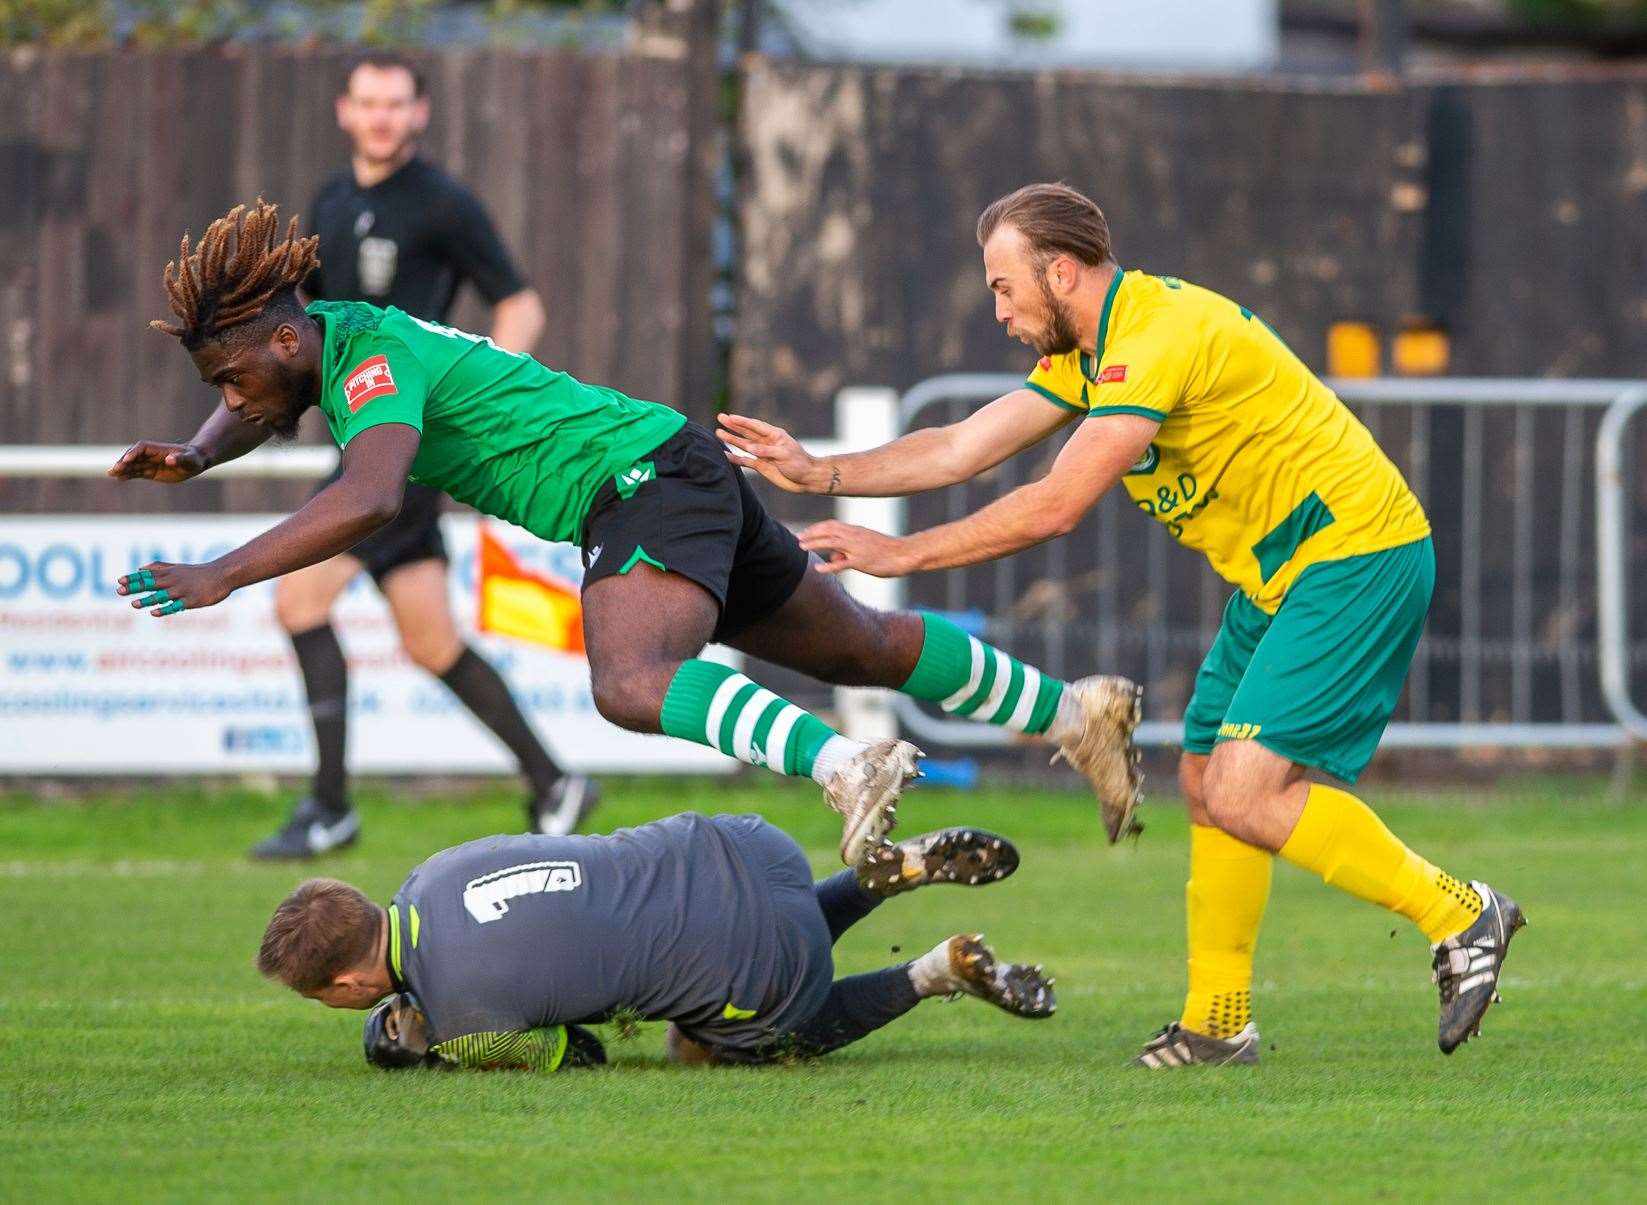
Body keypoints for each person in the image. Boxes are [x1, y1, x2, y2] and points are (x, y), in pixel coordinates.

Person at [716, 182, 1525, 1060]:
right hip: (1280, 578)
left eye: (1002, 285)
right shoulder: (1093, 347)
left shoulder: (1151, 338)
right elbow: (961, 443)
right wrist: (818, 470)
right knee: (1209, 779)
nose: (998, 309)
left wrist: (901, 555)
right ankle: (1217, 1022)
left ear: (1059, 272)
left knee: (1251, 792)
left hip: (1353, 556)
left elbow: (1055, 505)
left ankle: (1460, 913)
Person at [108, 198, 1143, 867]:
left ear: (288, 337)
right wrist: (197, 456)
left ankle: (848, 767)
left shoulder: (367, 364)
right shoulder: (329, 349)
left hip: (639, 480)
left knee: (629, 681)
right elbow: (262, 402)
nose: (233, 399)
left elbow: (373, 493)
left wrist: (225, 570)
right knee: (862, 644)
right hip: (669, 467)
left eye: (233, 378)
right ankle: (1075, 714)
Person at [252, 52, 582, 859]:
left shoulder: (442, 203)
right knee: (431, 641)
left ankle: (330, 807)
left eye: (395, 104)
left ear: (419, 114)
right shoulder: (331, 198)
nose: (381, 117)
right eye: (368, 103)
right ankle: (553, 780)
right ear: (345, 111)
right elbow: (309, 313)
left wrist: (483, 399)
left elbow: (522, 303)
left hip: (401, 446)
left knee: (297, 604)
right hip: (368, 439)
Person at [256, 817, 1053, 1070]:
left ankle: (933, 971)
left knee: (763, 1037)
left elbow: (582, 1055)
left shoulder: (468, 1030)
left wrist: (436, 1047)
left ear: (350, 985)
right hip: (746, 846)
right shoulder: (437, 868)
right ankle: (884, 874)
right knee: (748, 925)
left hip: (753, 958)